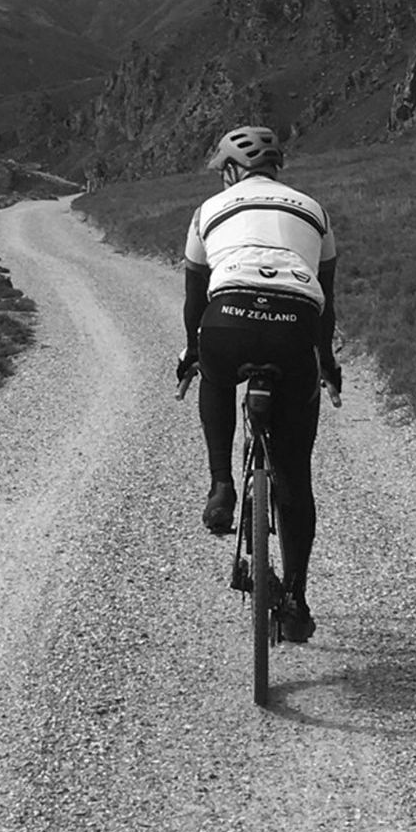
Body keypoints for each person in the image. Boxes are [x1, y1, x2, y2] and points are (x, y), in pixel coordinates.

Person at [176, 124, 341, 643]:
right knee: (295, 474)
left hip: (228, 318)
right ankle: (296, 601)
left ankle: (221, 486)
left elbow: (194, 302)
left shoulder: (207, 210)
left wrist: (192, 354)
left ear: (231, 170)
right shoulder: (314, 209)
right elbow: (327, 305)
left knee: (215, 375)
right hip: (295, 325)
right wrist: (326, 364)